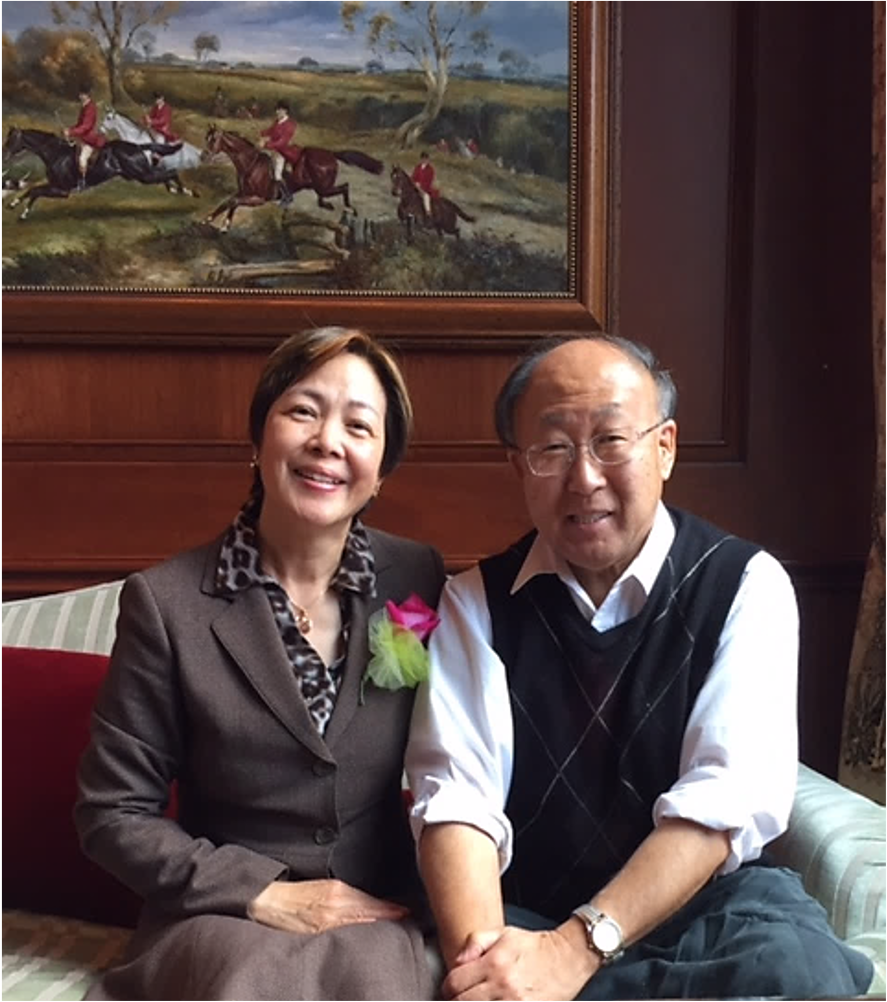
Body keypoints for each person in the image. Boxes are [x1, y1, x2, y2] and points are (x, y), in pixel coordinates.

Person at [406, 332, 874, 1001]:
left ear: (665, 447)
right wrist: (494, 972)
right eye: (553, 448)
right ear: (519, 466)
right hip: (530, 911)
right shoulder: (475, 602)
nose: (584, 477)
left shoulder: (743, 584)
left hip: (710, 912)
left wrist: (579, 949)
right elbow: (457, 802)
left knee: (795, 970)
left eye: (610, 441)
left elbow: (721, 799)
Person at [75, 326, 446, 1001]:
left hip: (374, 903)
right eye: (302, 410)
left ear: (382, 469)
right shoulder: (166, 603)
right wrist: (265, 894)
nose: (327, 441)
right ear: (258, 438)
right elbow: (112, 813)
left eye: (358, 426)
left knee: (376, 980)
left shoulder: (415, 578)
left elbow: (444, 738)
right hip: (223, 910)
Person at [64, 82, 106, 190]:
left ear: (87, 95)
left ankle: (83, 182)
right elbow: (79, 125)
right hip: (82, 136)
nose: (80, 96)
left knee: (82, 159)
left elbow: (86, 126)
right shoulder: (84, 106)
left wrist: (71, 132)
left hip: (90, 138)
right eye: (80, 94)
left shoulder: (90, 107)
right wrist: (70, 130)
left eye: (82, 94)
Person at [260, 99, 301, 204]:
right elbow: (270, 131)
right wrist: (262, 133)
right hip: (275, 150)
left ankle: (287, 196)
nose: (277, 112)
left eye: (280, 110)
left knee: (277, 174)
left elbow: (282, 142)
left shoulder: (290, 125)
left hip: (284, 152)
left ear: (285, 111)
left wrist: (267, 144)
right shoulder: (277, 122)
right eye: (277, 110)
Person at [410, 150, 438, 217]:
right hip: (416, 186)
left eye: (426, 159)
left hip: (425, 188)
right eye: (423, 158)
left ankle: (428, 211)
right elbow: (413, 177)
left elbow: (429, 181)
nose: (424, 160)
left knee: (426, 197)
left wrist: (421, 188)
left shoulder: (430, 169)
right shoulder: (418, 167)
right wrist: (415, 184)